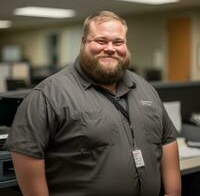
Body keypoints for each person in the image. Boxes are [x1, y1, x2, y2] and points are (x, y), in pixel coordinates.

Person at [4, 11, 181, 196]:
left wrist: (174, 193)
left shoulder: (145, 88)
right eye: (101, 41)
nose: (111, 48)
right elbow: (26, 155)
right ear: (83, 42)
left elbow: (167, 140)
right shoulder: (47, 96)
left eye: (118, 42)